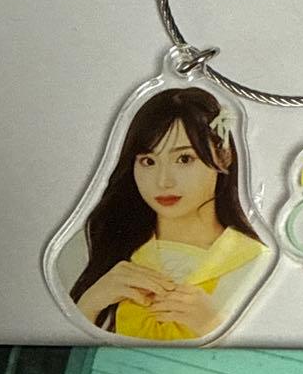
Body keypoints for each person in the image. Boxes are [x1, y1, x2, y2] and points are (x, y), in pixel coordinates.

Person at [69, 87, 273, 340]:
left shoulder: (256, 263)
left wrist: (214, 328)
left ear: (224, 156)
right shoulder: (101, 242)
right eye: (148, 161)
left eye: (184, 159)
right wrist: (89, 304)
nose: (163, 181)